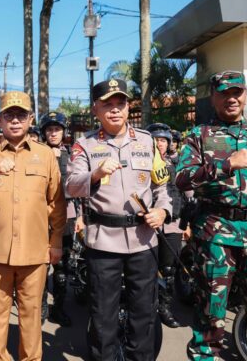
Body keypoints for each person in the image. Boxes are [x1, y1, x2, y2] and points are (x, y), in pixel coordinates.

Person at [176, 70, 247, 360]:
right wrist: (224, 165)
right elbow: (182, 179)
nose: (231, 99)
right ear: (213, 97)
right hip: (215, 236)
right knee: (210, 317)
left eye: (236, 93)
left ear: (245, 95)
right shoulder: (199, 136)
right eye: (224, 93)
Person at [66, 78, 171, 361]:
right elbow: (71, 186)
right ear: (95, 110)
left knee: (144, 314)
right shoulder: (84, 145)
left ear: (128, 107)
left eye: (120, 103)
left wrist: (162, 211)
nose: (114, 109)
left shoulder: (147, 141)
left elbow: (161, 188)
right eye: (107, 104)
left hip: (143, 241)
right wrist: (96, 174)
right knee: (103, 316)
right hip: (103, 243)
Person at [0, 90, 66, 361]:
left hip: (34, 253)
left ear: (31, 119)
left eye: (21, 115)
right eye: (9, 115)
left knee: (31, 316)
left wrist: (56, 242)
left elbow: (56, 203)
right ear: (0, 120)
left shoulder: (45, 155)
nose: (15, 120)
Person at [146, 122, 188, 329]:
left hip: (172, 224)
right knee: (144, 269)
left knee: (169, 269)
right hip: (146, 225)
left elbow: (188, 195)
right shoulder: (141, 163)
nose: (159, 144)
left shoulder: (177, 165)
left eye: (163, 140)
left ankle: (164, 307)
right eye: (155, 140)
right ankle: (146, 307)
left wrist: (187, 225)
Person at [39, 111, 78, 327]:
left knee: (63, 267)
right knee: (41, 266)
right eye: (49, 130)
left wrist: (81, 217)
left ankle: (59, 308)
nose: (53, 133)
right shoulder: (35, 153)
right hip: (41, 217)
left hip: (68, 216)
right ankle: (41, 307)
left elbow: (81, 186)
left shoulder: (73, 154)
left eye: (57, 129)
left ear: (64, 132)